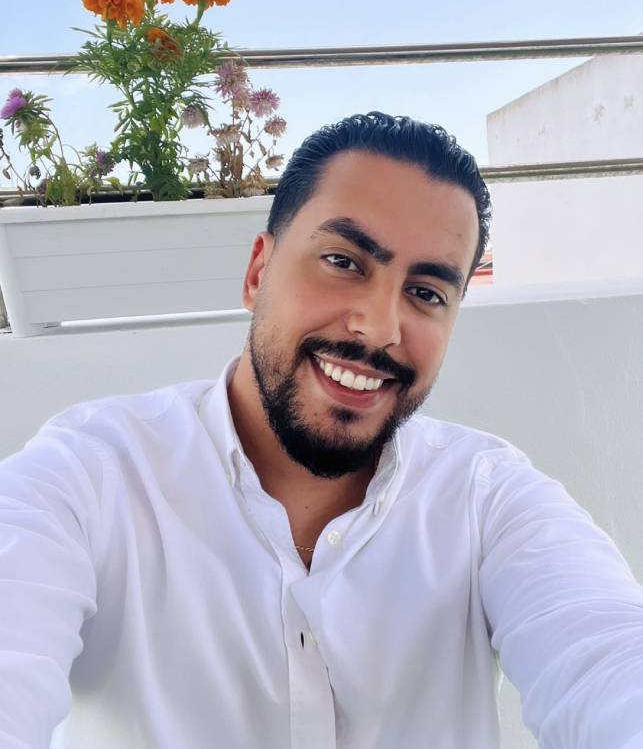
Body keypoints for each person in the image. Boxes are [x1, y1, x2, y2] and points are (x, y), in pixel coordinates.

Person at [0, 111, 642, 749]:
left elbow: (604, 653)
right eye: (343, 261)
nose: (378, 327)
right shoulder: (91, 477)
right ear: (258, 273)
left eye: (426, 293)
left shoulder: (486, 497)